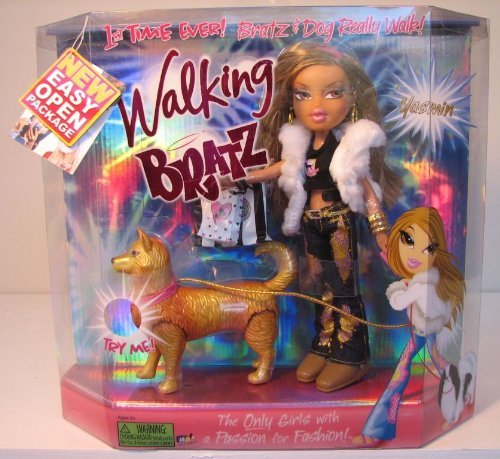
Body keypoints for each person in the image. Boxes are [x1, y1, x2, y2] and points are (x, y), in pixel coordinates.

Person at [241, 42, 401, 392]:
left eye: (332, 93)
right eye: (303, 94)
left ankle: (352, 353)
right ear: (291, 101)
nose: (316, 105)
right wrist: (241, 177)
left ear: (352, 98)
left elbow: (367, 189)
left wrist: (380, 230)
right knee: (318, 286)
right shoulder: (298, 145)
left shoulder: (349, 146)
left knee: (344, 286)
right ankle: (325, 343)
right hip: (311, 223)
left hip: (338, 220)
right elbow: (281, 168)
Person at [354, 207, 474, 446]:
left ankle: (452, 407)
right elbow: (403, 268)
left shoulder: (423, 284)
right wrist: (387, 249)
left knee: (425, 368)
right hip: (422, 333)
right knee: (420, 367)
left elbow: (398, 302)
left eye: (427, 248)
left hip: (426, 332)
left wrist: (398, 290)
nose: (415, 253)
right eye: (408, 240)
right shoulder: (421, 278)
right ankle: (380, 427)